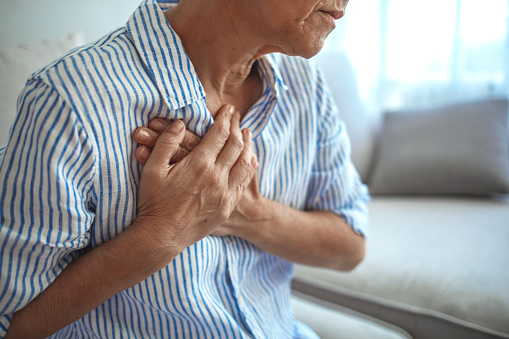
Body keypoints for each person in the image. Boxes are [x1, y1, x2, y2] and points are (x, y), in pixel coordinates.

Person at [0, 0, 369, 337]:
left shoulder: (308, 85)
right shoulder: (70, 99)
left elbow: (351, 245)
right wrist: (160, 235)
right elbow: (13, 323)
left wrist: (243, 213)